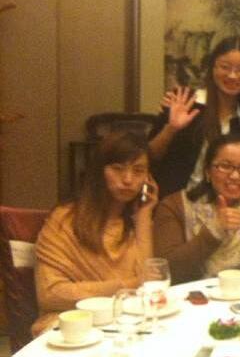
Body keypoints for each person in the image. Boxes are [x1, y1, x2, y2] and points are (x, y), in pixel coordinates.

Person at [33, 132, 158, 334]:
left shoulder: (135, 221)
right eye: (117, 169)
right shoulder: (65, 220)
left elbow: (147, 284)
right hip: (72, 325)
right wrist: (127, 286)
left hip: (125, 323)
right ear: (99, 171)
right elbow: (51, 294)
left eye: (138, 171)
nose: (128, 179)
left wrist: (144, 215)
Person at [153, 134, 240, 283]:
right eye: (225, 166)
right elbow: (169, 271)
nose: (235, 176)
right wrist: (214, 231)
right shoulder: (174, 206)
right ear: (207, 171)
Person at [148, 36, 240, 198]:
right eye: (225, 67)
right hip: (175, 202)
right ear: (212, 68)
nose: (232, 76)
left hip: (224, 205)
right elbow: (149, 156)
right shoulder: (185, 101)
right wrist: (171, 128)